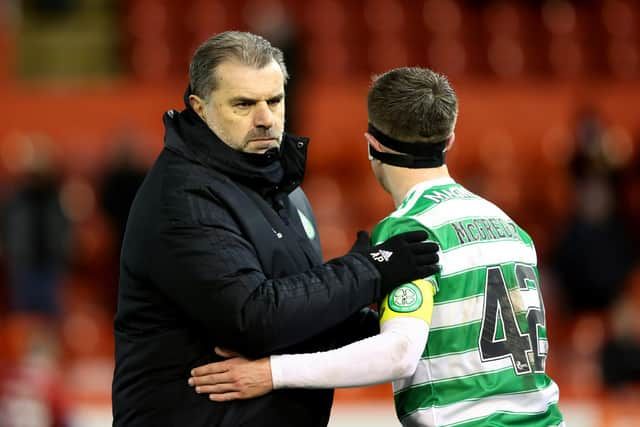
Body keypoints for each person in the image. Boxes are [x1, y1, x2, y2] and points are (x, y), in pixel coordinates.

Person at [188, 67, 565, 427]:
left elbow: (399, 353)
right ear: (449, 141)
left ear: (371, 144)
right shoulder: (511, 228)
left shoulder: (411, 230)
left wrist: (273, 372)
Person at [111, 32, 440, 427]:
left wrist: (406, 324)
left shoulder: (280, 187)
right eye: (244, 104)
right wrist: (369, 270)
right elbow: (255, 318)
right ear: (200, 108)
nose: (265, 118)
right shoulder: (184, 198)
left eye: (274, 100)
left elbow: (303, 318)